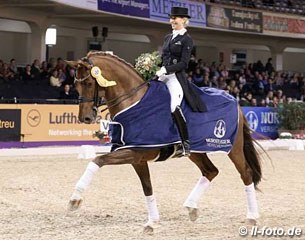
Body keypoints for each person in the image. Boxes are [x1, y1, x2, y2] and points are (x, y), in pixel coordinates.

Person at [155, 7, 206, 156]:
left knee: (173, 106)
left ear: (183, 20)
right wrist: (153, 67)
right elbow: (163, 58)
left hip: (175, 78)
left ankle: (185, 144)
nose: (172, 20)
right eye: (171, 18)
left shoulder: (186, 39)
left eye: (175, 18)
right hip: (162, 75)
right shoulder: (167, 37)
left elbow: (184, 64)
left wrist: (166, 70)